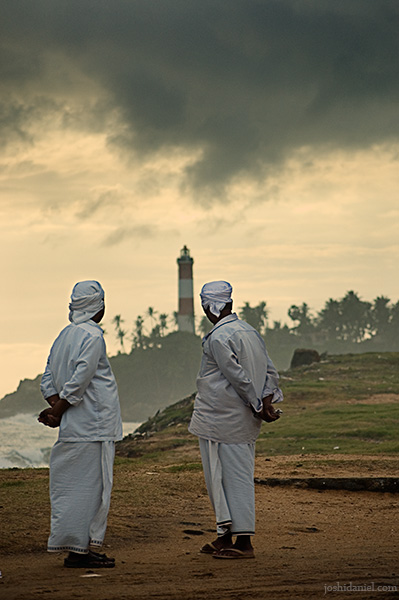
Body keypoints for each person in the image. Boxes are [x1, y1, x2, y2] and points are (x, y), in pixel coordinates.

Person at [189, 280, 283, 559]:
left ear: (210, 306)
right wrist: (266, 401)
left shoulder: (218, 337)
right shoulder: (250, 332)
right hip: (236, 418)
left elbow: (237, 377)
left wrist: (257, 404)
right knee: (226, 477)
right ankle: (226, 535)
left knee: (231, 478)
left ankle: (243, 543)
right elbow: (269, 371)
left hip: (221, 418)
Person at [38, 280, 123, 568]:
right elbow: (81, 379)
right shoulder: (93, 337)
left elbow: (47, 378)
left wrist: (56, 410)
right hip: (95, 425)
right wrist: (60, 410)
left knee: (72, 488)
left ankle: (77, 548)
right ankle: (81, 551)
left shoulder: (63, 336)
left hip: (73, 426)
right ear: (98, 306)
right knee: (95, 490)